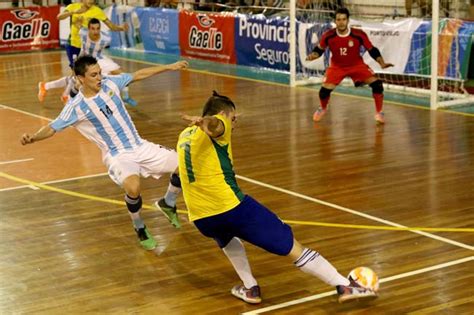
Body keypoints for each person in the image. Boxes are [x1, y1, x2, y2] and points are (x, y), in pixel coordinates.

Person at [177, 91, 378, 304]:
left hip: (201, 218)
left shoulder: (184, 136)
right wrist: (209, 122)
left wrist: (202, 122)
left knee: (227, 239)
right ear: (222, 114)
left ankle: (250, 288)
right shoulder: (218, 124)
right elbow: (216, 127)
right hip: (232, 208)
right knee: (293, 247)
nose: (234, 124)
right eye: (233, 118)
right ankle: (344, 285)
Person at [22, 56, 189, 251]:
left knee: (184, 165)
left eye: (99, 72)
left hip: (140, 145)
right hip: (118, 156)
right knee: (133, 189)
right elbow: (52, 127)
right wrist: (33, 138)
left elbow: (138, 75)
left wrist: (169, 66)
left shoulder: (111, 82)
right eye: (94, 75)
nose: (100, 77)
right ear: (80, 78)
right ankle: (139, 227)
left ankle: (168, 202)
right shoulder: (76, 107)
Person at [306, 7, 393, 124]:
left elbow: (372, 49)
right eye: (338, 20)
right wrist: (313, 55)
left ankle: (379, 113)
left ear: (348, 20)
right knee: (323, 92)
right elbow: (319, 50)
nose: (341, 22)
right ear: (335, 21)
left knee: (377, 85)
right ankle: (323, 108)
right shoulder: (328, 35)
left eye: (343, 19)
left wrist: (381, 63)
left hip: (356, 65)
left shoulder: (359, 34)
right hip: (337, 67)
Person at [38, 0, 128, 104]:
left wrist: (121, 28)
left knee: (77, 76)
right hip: (74, 45)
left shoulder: (97, 11)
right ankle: (65, 95)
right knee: (77, 75)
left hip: (86, 49)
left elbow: (110, 25)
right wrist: (74, 12)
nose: (91, 1)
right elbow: (59, 17)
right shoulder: (74, 6)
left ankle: (46, 86)